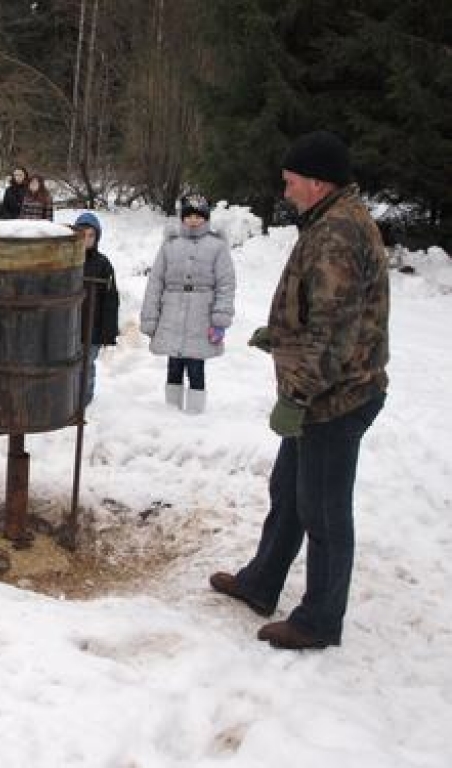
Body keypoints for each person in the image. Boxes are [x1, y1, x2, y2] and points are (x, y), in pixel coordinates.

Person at [209, 130, 389, 650]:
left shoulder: (336, 233)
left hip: (338, 397)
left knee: (325, 511)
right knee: (288, 493)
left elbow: (335, 330)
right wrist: (282, 335)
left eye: (290, 181)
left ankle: (318, 620)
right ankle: (262, 581)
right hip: (323, 390)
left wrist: (296, 395)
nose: (285, 190)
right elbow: (322, 316)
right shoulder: (331, 219)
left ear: (316, 182)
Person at [139, 194, 236, 413]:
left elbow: (226, 284)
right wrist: (150, 317)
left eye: (198, 216)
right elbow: (156, 282)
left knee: (196, 365)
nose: (193, 220)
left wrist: (220, 318)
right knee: (174, 364)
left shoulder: (217, 246)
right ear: (182, 218)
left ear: (206, 218)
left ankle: (195, 412)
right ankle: (171, 411)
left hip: (202, 316)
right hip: (172, 313)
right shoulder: (169, 245)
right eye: (189, 215)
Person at [74, 212, 120, 405]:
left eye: (91, 235)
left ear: (97, 237)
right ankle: (68, 397)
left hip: (92, 327)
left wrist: (107, 333)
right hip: (68, 326)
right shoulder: (67, 261)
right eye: (82, 234)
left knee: (86, 365)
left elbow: (111, 301)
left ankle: (85, 399)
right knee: (69, 365)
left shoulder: (103, 264)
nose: (86, 239)